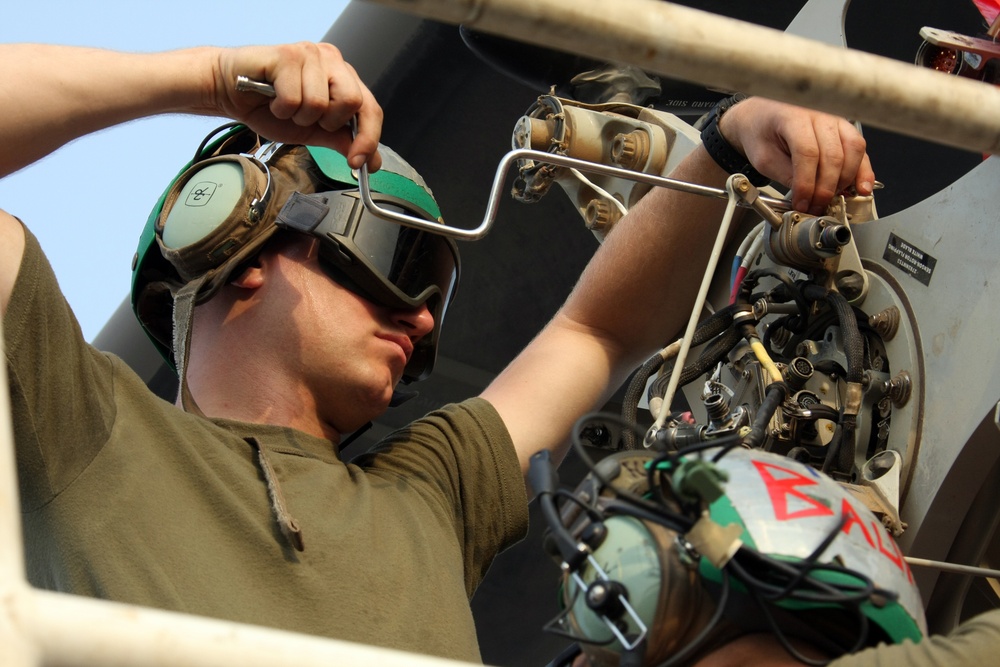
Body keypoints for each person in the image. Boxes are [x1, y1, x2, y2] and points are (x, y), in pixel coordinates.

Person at [8, 38, 975, 665]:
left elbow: (593, 330)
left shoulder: (426, 494)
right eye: (393, 257)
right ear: (230, 239)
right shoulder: (80, 427)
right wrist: (207, 82)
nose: (426, 321)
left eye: (436, 290)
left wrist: (725, 140)